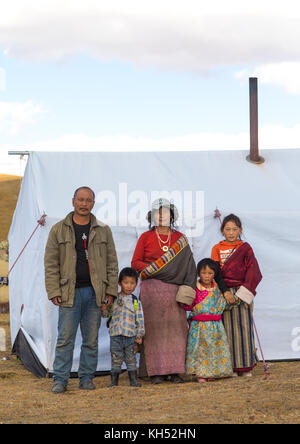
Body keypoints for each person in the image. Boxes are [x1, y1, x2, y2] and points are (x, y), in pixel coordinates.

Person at [44, 186, 119, 394]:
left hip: (95, 293)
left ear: (93, 203)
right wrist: (53, 290)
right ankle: (60, 380)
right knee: (65, 339)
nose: (84, 204)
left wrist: (111, 291)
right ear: (73, 201)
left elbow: (112, 263)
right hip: (69, 293)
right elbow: (50, 264)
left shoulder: (103, 230)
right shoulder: (58, 229)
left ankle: (86, 378)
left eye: (88, 200)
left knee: (91, 340)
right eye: (80, 199)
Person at [131, 198, 198, 384]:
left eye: (166, 213)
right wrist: (157, 268)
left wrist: (163, 269)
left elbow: (189, 266)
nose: (162, 216)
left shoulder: (180, 239)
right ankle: (156, 372)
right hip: (152, 292)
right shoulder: (145, 237)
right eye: (158, 213)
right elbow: (135, 263)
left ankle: (176, 371)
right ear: (152, 216)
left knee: (177, 331)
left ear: (172, 216)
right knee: (153, 331)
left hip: (174, 292)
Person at [211, 213, 262, 377]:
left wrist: (242, 294)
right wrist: (225, 291)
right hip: (224, 293)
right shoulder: (217, 248)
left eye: (234, 229)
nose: (231, 232)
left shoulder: (245, 248)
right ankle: (230, 367)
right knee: (226, 330)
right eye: (228, 229)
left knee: (244, 328)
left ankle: (245, 367)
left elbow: (253, 271)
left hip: (242, 292)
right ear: (222, 231)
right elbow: (215, 273)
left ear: (240, 230)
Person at [184, 258, 238, 383]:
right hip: (199, 326)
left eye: (210, 273)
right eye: (203, 273)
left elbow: (223, 303)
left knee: (214, 348)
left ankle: (213, 372)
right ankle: (201, 374)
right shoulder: (194, 288)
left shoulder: (219, 288)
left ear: (215, 274)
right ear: (198, 273)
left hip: (215, 326)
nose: (207, 276)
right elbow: (188, 304)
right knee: (201, 350)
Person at [107, 267, 145, 387]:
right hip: (115, 335)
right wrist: (104, 307)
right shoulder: (113, 299)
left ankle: (133, 381)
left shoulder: (135, 302)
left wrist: (139, 334)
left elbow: (140, 319)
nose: (129, 286)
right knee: (116, 358)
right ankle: (114, 382)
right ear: (119, 283)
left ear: (136, 284)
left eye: (132, 283)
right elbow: (106, 315)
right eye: (126, 283)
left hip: (130, 336)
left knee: (131, 358)